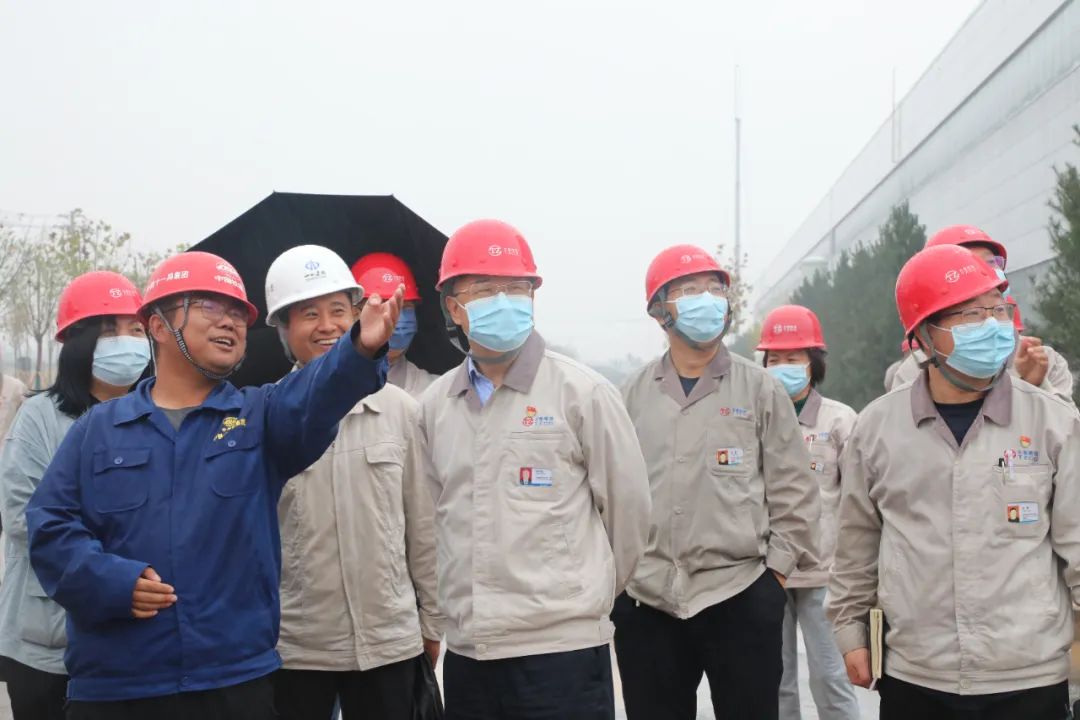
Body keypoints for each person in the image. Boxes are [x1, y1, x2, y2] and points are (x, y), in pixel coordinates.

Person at [26, 251, 401, 719]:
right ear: (159, 325)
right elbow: (49, 527)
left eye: (238, 314)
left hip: (233, 683)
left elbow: (317, 392)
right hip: (116, 686)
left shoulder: (261, 418)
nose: (230, 322)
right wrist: (111, 583)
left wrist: (359, 348)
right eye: (209, 306)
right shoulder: (98, 430)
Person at [828, 244, 1080, 719]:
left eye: (997, 310)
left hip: (1029, 673)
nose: (992, 325)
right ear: (924, 335)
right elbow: (856, 543)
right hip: (917, 674)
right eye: (969, 315)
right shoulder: (878, 427)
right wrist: (850, 633)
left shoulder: (1054, 421)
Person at [415, 219, 652, 720]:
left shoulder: (582, 393)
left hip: (562, 652)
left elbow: (629, 514)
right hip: (471, 653)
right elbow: (431, 522)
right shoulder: (436, 406)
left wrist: (580, 595)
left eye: (516, 288)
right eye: (485, 289)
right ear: (454, 308)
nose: (503, 301)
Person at [615, 245, 821, 720]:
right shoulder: (631, 395)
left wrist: (774, 579)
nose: (707, 299)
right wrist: (619, 585)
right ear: (659, 310)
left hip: (740, 592)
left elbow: (795, 490)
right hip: (649, 599)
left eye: (714, 289)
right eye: (689, 290)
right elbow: (612, 493)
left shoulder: (761, 388)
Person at [263, 245, 442, 720]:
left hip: (389, 642)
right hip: (297, 648)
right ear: (284, 330)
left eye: (339, 310)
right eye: (309, 314)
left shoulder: (401, 410)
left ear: (359, 316)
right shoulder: (266, 415)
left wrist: (431, 621)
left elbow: (423, 527)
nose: (327, 326)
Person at [0, 272, 149, 720]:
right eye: (109, 330)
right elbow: (22, 517)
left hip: (136, 640)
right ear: (79, 342)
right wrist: (113, 566)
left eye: (136, 330)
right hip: (48, 640)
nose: (126, 342)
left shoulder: (158, 415)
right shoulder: (39, 417)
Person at [756, 305, 860, 720]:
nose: (783, 366)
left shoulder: (840, 420)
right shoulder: (754, 416)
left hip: (825, 573)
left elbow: (858, 500)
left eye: (793, 357)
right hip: (768, 571)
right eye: (775, 359)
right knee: (775, 680)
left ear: (813, 362)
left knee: (831, 676)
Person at [887, 225, 1074, 401]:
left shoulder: (1043, 360)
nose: (981, 272)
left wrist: (1037, 387)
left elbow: (1067, 422)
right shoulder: (912, 374)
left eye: (991, 262)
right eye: (972, 313)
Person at [352, 253, 440, 398]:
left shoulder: (435, 392)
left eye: (406, 307)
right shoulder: (331, 387)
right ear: (354, 314)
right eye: (384, 305)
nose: (398, 316)